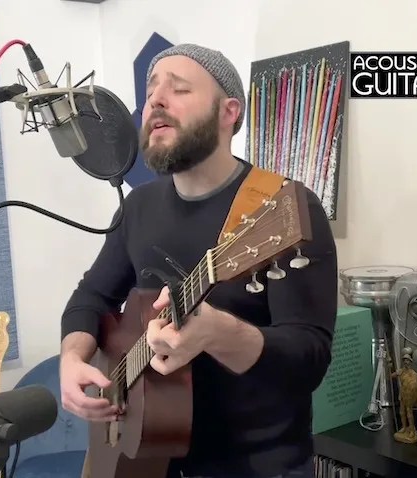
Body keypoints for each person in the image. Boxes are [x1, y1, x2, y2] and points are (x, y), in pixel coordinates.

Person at [59, 43, 338, 478]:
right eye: (151, 91)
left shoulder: (279, 209)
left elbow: (310, 359)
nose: (156, 100)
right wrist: (72, 358)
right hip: (145, 459)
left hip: (258, 467)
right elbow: (91, 297)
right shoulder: (138, 207)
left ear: (229, 112)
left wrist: (220, 333)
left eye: (179, 88)